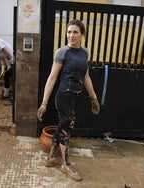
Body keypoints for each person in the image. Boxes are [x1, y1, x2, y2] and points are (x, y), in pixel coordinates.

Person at [37, 20, 100, 181]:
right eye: (69, 32)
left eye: (75, 32)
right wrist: (44, 103)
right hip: (64, 96)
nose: (71, 35)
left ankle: (51, 158)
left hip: (76, 97)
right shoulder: (62, 52)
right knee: (67, 129)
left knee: (63, 125)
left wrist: (93, 97)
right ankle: (65, 163)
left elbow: (85, 76)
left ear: (82, 34)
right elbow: (52, 78)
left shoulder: (84, 52)